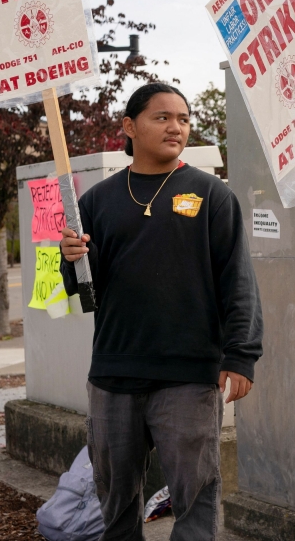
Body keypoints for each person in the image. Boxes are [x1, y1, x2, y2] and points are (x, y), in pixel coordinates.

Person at [59, 82, 263, 541]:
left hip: (189, 377)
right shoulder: (96, 201)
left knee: (196, 498)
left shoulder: (212, 195)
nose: (176, 127)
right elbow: (84, 294)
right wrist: (69, 258)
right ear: (129, 127)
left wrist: (241, 354)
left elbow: (238, 280)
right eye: (162, 117)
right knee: (115, 502)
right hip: (114, 374)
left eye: (184, 119)